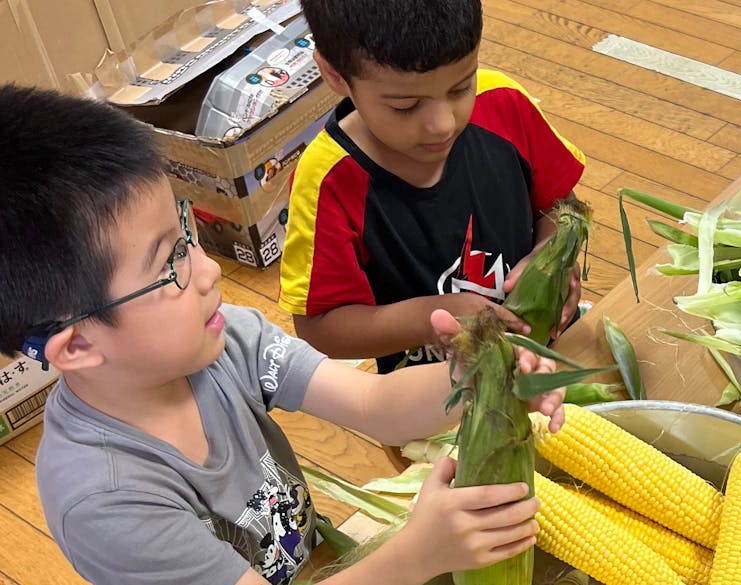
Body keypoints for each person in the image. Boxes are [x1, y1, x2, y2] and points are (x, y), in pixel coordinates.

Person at [0, 85, 565, 585]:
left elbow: (371, 401)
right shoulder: (107, 501)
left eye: (185, 235)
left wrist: (473, 377)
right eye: (168, 265)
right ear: (75, 345)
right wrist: (414, 556)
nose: (209, 269)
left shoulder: (222, 343)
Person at [278, 0, 586, 374]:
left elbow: (560, 205)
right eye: (406, 106)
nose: (442, 124)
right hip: (433, 398)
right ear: (335, 73)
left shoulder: (504, 103)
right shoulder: (326, 180)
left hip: (551, 362)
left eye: (460, 88)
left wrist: (553, 251)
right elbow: (319, 327)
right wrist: (432, 318)